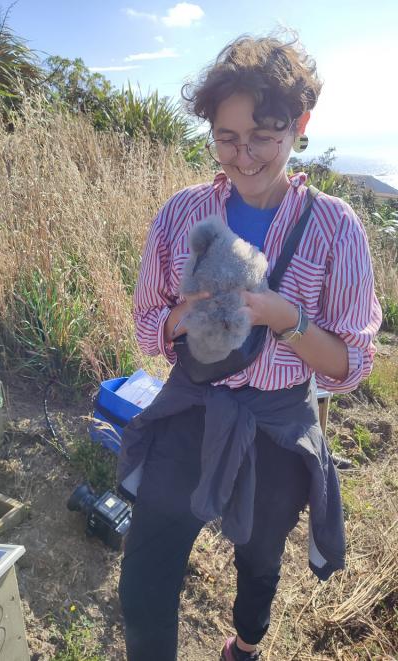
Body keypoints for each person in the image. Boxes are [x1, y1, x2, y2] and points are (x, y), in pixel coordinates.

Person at [116, 34, 382, 661]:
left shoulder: (336, 227)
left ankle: (244, 643)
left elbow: (351, 365)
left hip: (277, 424)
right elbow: (147, 326)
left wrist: (286, 318)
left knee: (260, 561)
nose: (245, 156)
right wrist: (182, 315)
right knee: (144, 576)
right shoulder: (183, 213)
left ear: (301, 125)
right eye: (227, 137)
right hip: (191, 408)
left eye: (263, 136)